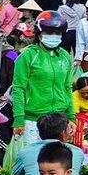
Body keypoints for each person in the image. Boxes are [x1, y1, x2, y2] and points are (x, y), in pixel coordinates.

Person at [11, 12, 76, 147]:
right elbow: (18, 88)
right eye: (49, 33)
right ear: (39, 34)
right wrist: (18, 118)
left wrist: (71, 117)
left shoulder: (65, 56)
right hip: (33, 120)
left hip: (59, 120)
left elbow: (67, 87)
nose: (54, 37)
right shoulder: (27, 56)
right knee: (33, 162)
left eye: (57, 33)